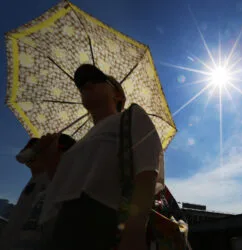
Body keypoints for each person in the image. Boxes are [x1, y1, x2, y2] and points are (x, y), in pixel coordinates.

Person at [39, 64, 163, 250]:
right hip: (60, 227)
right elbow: (62, 185)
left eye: (96, 79)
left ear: (118, 95)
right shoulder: (78, 143)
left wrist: (134, 234)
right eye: (81, 84)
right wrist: (49, 158)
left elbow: (146, 172)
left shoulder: (130, 117)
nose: (87, 84)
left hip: (103, 222)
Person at [0, 135, 76, 250]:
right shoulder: (37, 179)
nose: (36, 149)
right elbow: (21, 157)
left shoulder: (57, 181)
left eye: (42, 147)